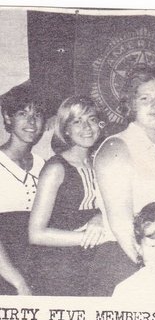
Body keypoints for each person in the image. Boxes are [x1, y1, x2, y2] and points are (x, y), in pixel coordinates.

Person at [89, 65, 155, 296]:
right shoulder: (117, 147)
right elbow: (121, 225)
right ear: (131, 104)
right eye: (145, 98)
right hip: (125, 262)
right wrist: (150, 271)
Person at [29, 96, 105, 296]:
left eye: (91, 119)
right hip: (58, 268)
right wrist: (87, 238)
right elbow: (35, 234)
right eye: (77, 121)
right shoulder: (56, 168)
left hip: (91, 262)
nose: (87, 127)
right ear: (66, 129)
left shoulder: (100, 163)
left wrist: (99, 218)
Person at [0, 84, 46, 295]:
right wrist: (18, 282)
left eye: (37, 114)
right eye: (22, 113)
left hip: (38, 267)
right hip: (7, 272)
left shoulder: (44, 165)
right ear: (8, 118)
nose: (31, 121)